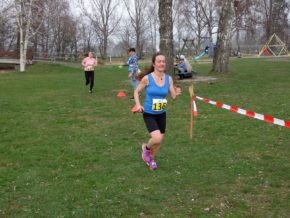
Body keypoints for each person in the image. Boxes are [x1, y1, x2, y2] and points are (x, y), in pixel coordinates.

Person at [133, 52, 182, 170]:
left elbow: (173, 97)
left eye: (163, 61)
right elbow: (136, 92)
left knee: (159, 142)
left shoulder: (168, 79)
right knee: (157, 138)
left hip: (161, 113)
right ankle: (146, 149)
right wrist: (138, 105)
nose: (162, 63)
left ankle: (151, 160)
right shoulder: (147, 78)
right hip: (149, 113)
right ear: (154, 64)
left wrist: (177, 93)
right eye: (159, 61)